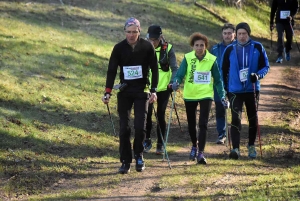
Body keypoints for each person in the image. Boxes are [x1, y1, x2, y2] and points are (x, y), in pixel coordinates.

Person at [102, 17, 158, 174]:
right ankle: (125, 161)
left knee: (140, 126)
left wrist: (154, 90)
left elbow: (155, 69)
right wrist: (107, 92)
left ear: (139, 31)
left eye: (135, 32)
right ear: (124, 32)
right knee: (124, 128)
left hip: (142, 91)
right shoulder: (119, 48)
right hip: (125, 91)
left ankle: (139, 156)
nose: (132, 35)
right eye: (129, 32)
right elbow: (112, 70)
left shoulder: (147, 46)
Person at [172, 32, 228, 165]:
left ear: (206, 46)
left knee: (203, 124)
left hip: (205, 95)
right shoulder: (188, 57)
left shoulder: (212, 59)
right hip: (190, 94)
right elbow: (180, 74)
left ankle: (201, 153)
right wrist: (176, 82)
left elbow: (218, 80)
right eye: (196, 45)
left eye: (202, 45)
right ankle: (194, 145)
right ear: (192, 46)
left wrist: (222, 96)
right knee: (192, 124)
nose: (199, 48)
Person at [221, 22, 270, 160]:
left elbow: (266, 66)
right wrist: (225, 88)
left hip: (252, 89)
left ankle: (251, 146)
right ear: (236, 34)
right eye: (240, 34)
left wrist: (258, 75)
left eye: (244, 34)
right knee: (236, 118)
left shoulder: (257, 47)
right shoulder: (230, 49)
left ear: (248, 34)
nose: (242, 36)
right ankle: (235, 149)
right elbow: (223, 69)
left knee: (252, 118)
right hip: (235, 90)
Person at [144, 25, 178, 155]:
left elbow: (175, 68)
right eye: (150, 39)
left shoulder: (168, 49)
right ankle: (146, 140)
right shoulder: (144, 47)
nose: (152, 42)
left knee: (160, 114)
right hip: (148, 87)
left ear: (161, 37)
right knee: (146, 115)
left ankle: (160, 143)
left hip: (164, 88)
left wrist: (172, 82)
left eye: (155, 40)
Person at [210, 23, 236, 145]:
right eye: (225, 33)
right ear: (222, 34)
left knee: (236, 109)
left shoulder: (238, 47)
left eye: (229, 33)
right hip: (218, 85)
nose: (227, 35)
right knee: (220, 109)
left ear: (234, 34)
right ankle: (222, 134)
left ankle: (236, 133)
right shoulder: (215, 49)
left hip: (235, 84)